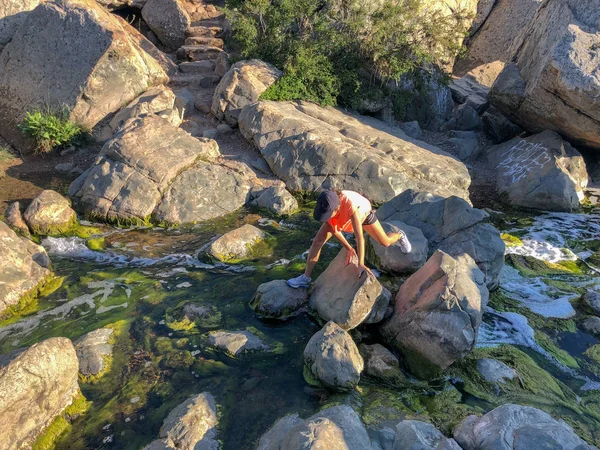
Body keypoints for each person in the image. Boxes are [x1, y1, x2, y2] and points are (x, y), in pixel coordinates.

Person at [287, 190, 411, 288]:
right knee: (317, 241)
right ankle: (305, 278)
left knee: (385, 242)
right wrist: (349, 248)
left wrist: (361, 263)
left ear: (336, 209)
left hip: (364, 215)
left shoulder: (350, 206)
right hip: (343, 216)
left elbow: (359, 237)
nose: (326, 218)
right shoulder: (327, 203)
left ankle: (400, 234)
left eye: (328, 215)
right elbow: (335, 230)